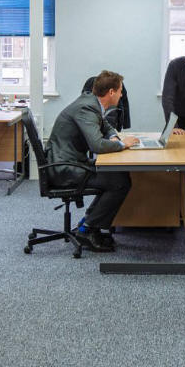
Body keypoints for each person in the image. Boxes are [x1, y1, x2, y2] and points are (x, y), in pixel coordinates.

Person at [46, 70, 139, 252]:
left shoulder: (92, 103)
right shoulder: (87, 108)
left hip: (71, 161)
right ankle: (88, 229)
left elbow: (106, 126)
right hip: (64, 168)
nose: (122, 95)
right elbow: (96, 145)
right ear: (111, 92)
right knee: (119, 182)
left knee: (117, 177)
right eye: (120, 91)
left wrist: (113, 136)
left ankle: (89, 223)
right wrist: (122, 144)